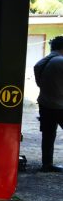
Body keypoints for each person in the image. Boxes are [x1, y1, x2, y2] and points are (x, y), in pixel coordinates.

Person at [34, 35, 63, 173]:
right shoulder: (61, 61)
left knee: (48, 135)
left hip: (45, 104)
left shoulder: (42, 62)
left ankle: (47, 164)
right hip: (60, 105)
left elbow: (39, 83)